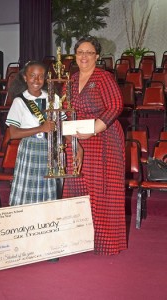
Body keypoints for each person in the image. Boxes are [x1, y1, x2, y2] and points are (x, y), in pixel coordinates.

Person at [62, 36, 127, 255]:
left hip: (104, 138)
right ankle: (77, 242)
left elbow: (116, 105)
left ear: (97, 56)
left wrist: (93, 130)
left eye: (89, 52)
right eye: (80, 52)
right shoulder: (70, 79)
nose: (83, 56)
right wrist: (74, 138)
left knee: (102, 192)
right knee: (76, 188)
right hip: (76, 139)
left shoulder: (103, 77)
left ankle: (104, 242)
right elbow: (64, 109)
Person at [6, 60, 60, 205]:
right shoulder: (19, 101)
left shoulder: (54, 98)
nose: (36, 80)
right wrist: (40, 128)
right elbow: (13, 133)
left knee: (48, 186)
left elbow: (63, 126)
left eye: (40, 76)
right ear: (25, 77)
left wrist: (77, 146)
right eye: (32, 76)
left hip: (50, 147)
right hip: (29, 148)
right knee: (28, 187)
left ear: (46, 78)